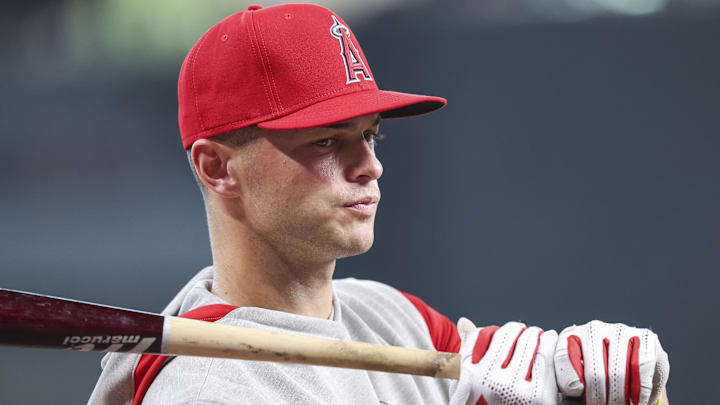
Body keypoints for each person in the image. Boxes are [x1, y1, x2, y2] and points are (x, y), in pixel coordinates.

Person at [89, 4, 669, 404]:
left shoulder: (391, 318)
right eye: (324, 140)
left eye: (369, 135)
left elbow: (549, 373)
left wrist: (600, 372)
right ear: (218, 169)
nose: (369, 164)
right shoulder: (208, 389)